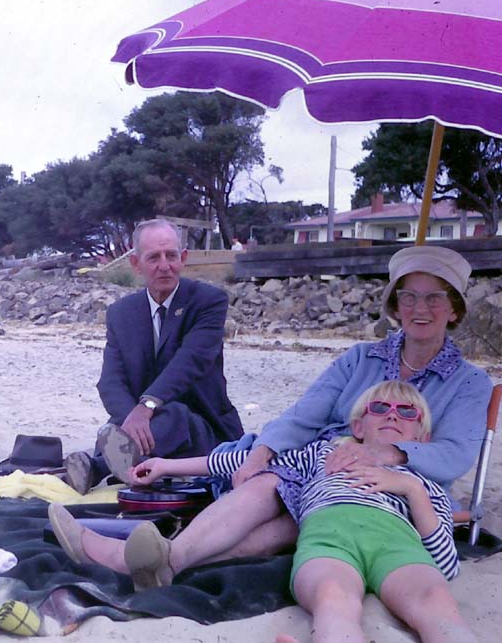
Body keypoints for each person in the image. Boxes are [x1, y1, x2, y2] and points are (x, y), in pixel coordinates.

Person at [52, 245, 491, 588]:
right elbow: (304, 416)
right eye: (409, 296)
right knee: (269, 482)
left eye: (434, 298)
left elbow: (455, 454)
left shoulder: (470, 383)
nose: (419, 308)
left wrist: (385, 455)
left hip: (394, 487)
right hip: (319, 463)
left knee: (291, 521)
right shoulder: (361, 359)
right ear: (395, 304)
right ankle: (163, 563)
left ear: (454, 309)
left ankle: (146, 559)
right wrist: (264, 451)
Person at [51, 380, 475, 643]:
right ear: (357, 426)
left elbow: (444, 561)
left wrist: (410, 488)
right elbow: (242, 461)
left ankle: (151, 560)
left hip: (395, 543)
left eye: (407, 411)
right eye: (379, 408)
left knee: (434, 602)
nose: (392, 415)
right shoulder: (323, 453)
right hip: (329, 539)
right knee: (333, 600)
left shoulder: (421, 479)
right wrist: (167, 465)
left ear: (422, 435)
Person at [64, 218, 244, 494]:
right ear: (136, 264)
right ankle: (118, 457)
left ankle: (97, 467)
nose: (164, 265)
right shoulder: (121, 314)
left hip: (202, 427)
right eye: (153, 258)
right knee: (124, 423)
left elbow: (191, 361)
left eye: (171, 255)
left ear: (183, 258)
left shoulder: (208, 302)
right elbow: (110, 381)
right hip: (148, 428)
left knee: (174, 415)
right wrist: (132, 420)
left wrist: (146, 407)